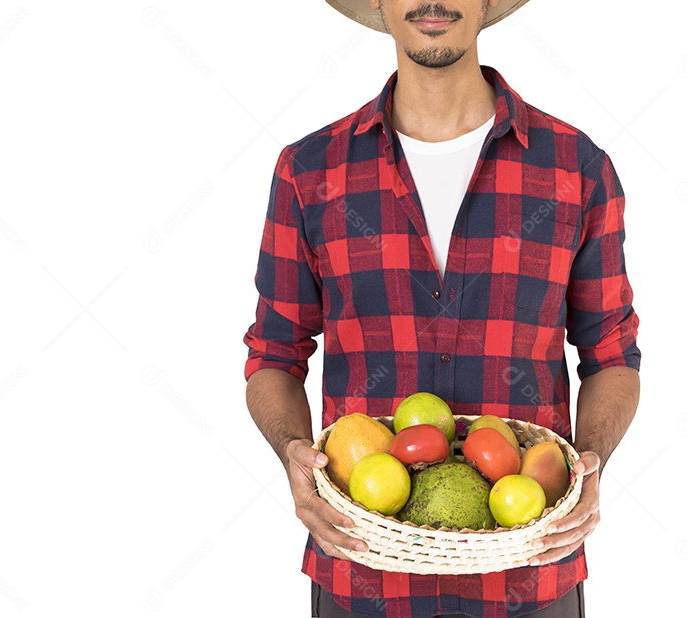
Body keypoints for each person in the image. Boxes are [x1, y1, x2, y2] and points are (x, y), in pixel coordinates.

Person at [243, 1, 641, 616]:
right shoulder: (310, 172)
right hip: (362, 576)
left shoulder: (575, 168)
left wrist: (588, 466)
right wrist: (295, 453)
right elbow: (274, 353)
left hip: (530, 579)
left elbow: (612, 354)